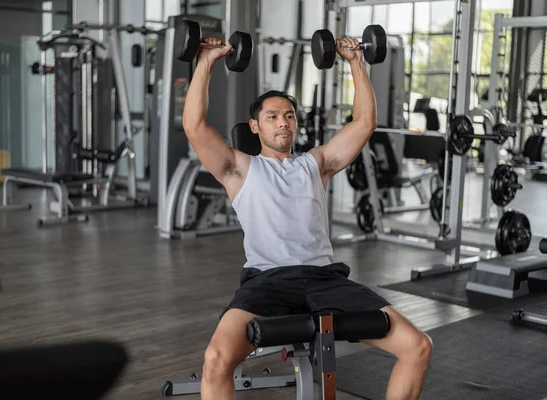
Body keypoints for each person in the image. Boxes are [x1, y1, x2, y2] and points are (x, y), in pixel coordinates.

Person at [182, 35, 433, 400]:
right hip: (267, 281)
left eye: (289, 116)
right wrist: (206, 60)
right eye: (272, 117)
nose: (283, 123)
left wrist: (356, 63)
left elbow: (364, 122)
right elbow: (194, 125)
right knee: (216, 358)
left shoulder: (317, 164)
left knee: (418, 345)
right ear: (255, 127)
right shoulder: (239, 168)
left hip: (323, 279)